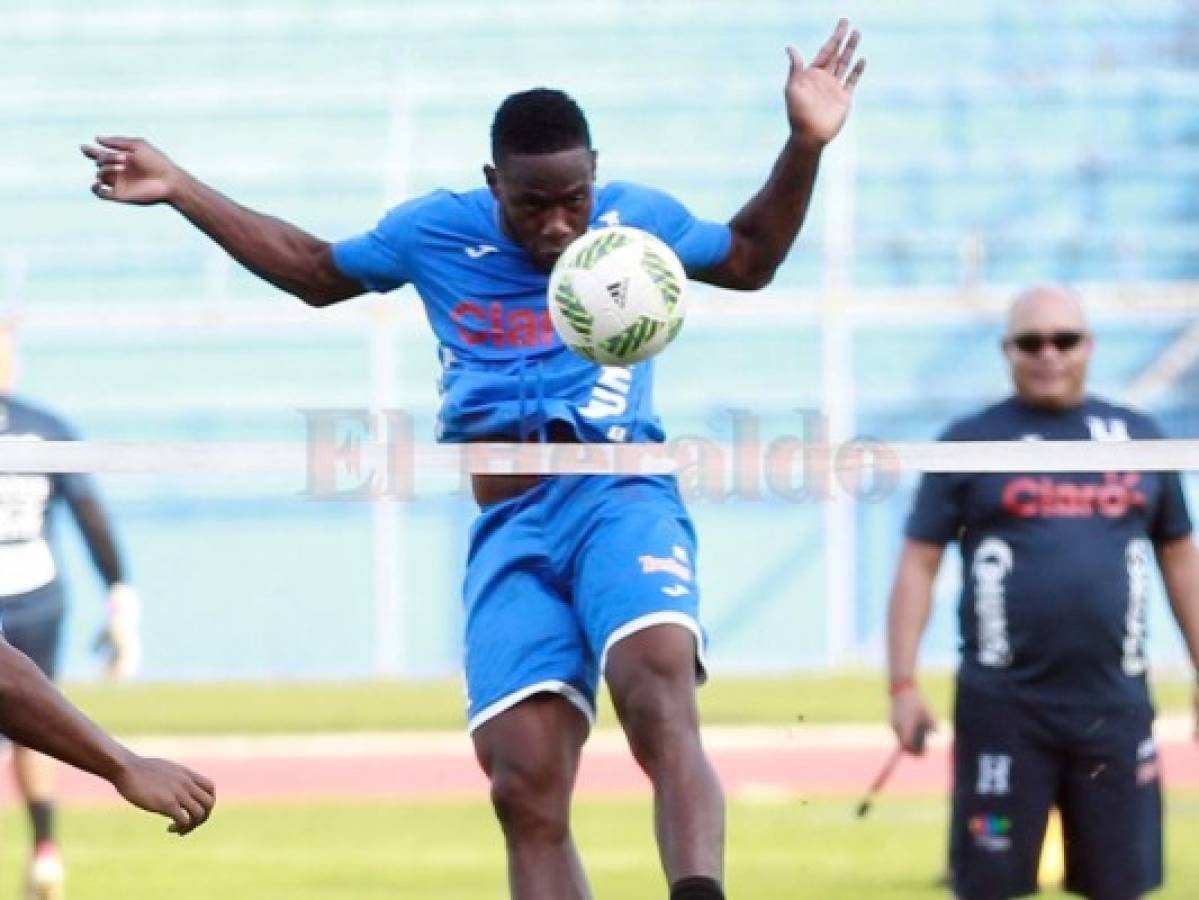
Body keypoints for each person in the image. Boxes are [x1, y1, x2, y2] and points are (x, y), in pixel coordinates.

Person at [82, 20, 865, 899]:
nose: (558, 224)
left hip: (619, 496)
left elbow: (750, 259)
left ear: (595, 173)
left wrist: (803, 143)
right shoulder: (434, 233)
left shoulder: (633, 226)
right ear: (495, 184)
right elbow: (312, 270)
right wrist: (182, 186)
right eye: (533, 204)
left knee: (656, 693)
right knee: (522, 788)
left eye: (574, 196)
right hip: (509, 526)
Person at [885, 285, 1199, 900]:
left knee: (1120, 886)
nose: (1048, 354)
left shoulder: (1141, 438)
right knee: (990, 886)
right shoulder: (970, 441)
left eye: (1065, 340)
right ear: (1007, 350)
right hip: (1003, 714)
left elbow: (1178, 556)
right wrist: (902, 684)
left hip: (1115, 710)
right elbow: (919, 562)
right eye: (1031, 342)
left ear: (1090, 346)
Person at [0, 324, 144, 899]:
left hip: (29, 593)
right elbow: (91, 517)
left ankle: (44, 851)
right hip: (36, 590)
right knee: (31, 726)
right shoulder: (46, 428)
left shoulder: (48, 427)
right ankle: (45, 850)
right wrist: (120, 591)